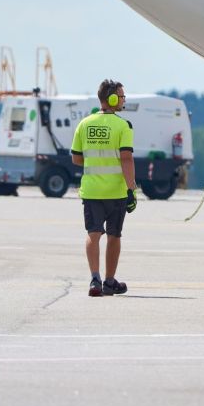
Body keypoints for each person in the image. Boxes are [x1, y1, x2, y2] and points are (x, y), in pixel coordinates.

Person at [71, 79, 138, 297]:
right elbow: (126, 159)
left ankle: (94, 279)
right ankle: (109, 281)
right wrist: (132, 189)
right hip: (116, 192)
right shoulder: (123, 126)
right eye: (121, 96)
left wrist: (96, 162)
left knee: (93, 233)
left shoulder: (84, 124)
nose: (124, 100)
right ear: (112, 98)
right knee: (114, 235)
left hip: (91, 191)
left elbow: (76, 158)